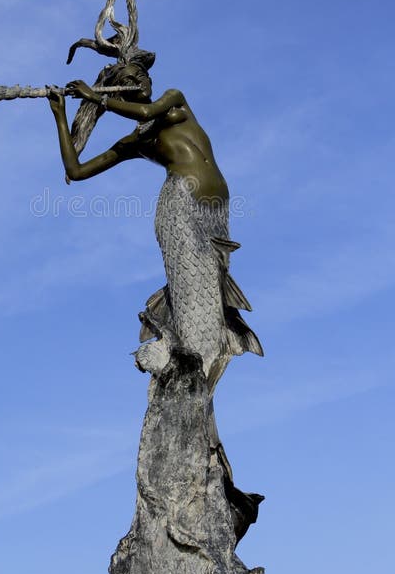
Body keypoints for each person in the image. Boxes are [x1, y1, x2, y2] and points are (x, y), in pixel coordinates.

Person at [47, 57, 262, 393]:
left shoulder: (174, 99)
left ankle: (199, 367)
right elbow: (76, 170)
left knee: (215, 291)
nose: (143, 80)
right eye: (133, 77)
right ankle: (188, 370)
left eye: (144, 74)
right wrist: (60, 115)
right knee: (193, 296)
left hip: (216, 210)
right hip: (180, 207)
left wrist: (95, 97)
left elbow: (148, 112)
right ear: (121, 88)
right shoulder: (137, 141)